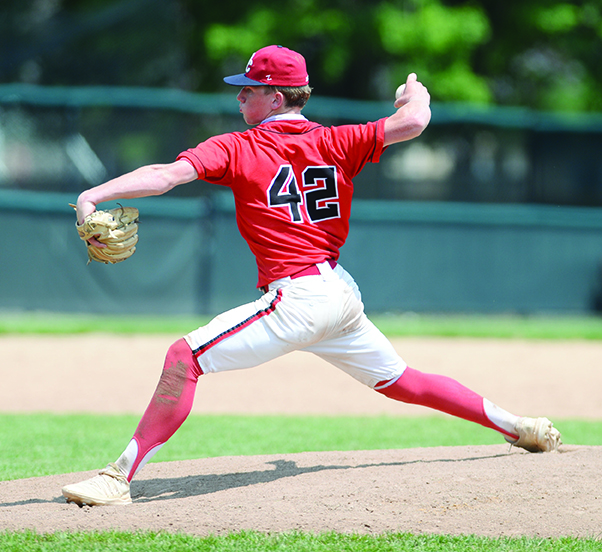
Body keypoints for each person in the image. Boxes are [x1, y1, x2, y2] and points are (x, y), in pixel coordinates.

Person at [62, 45, 561, 506]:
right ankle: (520, 426)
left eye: (250, 89)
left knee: (183, 357)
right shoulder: (339, 140)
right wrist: (416, 93)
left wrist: (94, 195)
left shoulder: (238, 147)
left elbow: (166, 175)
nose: (240, 96)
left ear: (275, 97)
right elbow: (412, 122)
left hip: (296, 299)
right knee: (402, 380)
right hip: (339, 295)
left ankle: (116, 479)